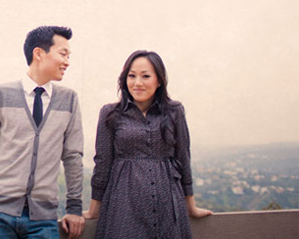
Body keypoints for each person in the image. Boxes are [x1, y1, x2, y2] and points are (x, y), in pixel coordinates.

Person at [0, 26, 85, 239]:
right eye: (63, 54)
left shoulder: (69, 100)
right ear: (38, 53)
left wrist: (74, 209)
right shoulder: (1, 94)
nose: (67, 62)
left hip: (43, 219)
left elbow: (73, 157)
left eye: (69, 56)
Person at [83, 50, 212, 238]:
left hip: (168, 203)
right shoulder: (110, 113)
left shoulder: (175, 111)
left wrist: (190, 206)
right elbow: (102, 163)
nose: (137, 83)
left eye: (145, 76)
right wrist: (94, 210)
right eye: (132, 76)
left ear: (159, 80)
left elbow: (183, 156)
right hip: (123, 204)